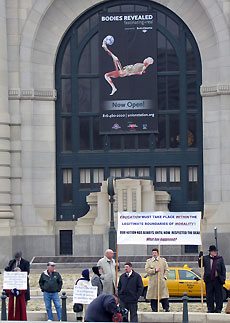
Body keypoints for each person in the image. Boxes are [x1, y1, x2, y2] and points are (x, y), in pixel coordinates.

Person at [198, 245, 226, 313]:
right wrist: (200, 257)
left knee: (219, 295)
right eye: (213, 251)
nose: (215, 252)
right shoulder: (206, 258)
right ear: (210, 252)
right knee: (209, 295)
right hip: (209, 279)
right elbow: (200, 265)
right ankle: (210, 308)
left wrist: (223, 278)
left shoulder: (220, 258)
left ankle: (218, 308)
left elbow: (223, 269)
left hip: (217, 279)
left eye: (216, 251)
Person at [145, 248, 170, 312]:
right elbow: (147, 270)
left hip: (161, 282)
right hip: (153, 282)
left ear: (158, 253)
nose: (154, 254)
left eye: (155, 253)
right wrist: (154, 270)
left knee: (164, 296)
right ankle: (154, 309)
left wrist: (165, 277)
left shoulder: (162, 261)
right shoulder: (149, 261)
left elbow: (167, 270)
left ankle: (166, 308)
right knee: (153, 297)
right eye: (153, 253)